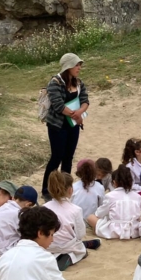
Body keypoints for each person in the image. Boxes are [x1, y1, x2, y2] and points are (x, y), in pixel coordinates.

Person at [41, 53, 89, 201]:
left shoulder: (79, 82)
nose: (79, 68)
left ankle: (64, 188)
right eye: (76, 65)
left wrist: (79, 113)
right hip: (57, 126)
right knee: (56, 157)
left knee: (68, 158)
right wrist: (76, 115)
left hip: (73, 125)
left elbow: (85, 100)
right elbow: (58, 105)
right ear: (68, 67)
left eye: (79, 64)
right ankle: (46, 189)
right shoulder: (55, 83)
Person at [44, 171, 100, 271]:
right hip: (67, 247)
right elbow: (80, 234)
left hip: (47, 246)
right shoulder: (75, 209)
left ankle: (84, 245)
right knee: (80, 249)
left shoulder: (44, 208)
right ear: (70, 190)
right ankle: (69, 257)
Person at [87, 164, 141, 240]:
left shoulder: (110, 196)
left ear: (114, 182)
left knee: (90, 217)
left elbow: (99, 214)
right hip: (133, 231)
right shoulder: (138, 197)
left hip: (114, 231)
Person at [0, 186, 38, 257]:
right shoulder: (18, 214)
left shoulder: (5, 206)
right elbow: (26, 234)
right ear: (28, 204)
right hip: (3, 249)